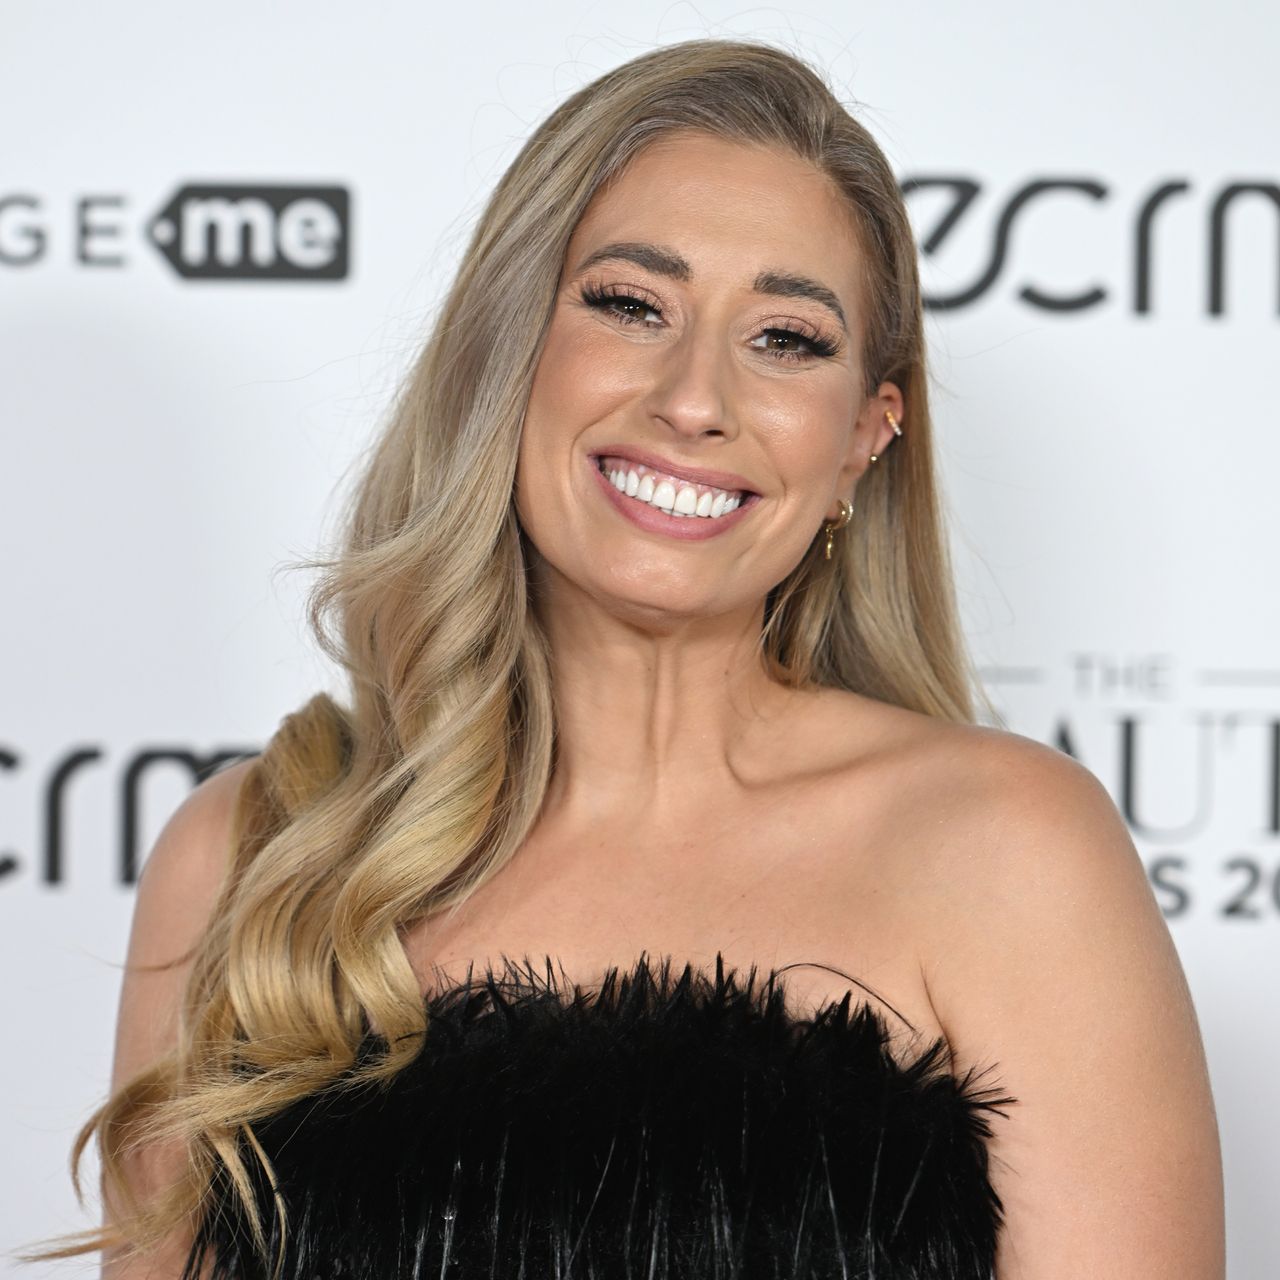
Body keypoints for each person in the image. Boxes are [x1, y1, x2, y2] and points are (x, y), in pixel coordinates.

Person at [25, 37, 1223, 1280]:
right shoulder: (255, 855)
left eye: (786, 338)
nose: (693, 398)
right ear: (508, 352)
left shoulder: (1010, 854)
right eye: (630, 305)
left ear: (864, 437)